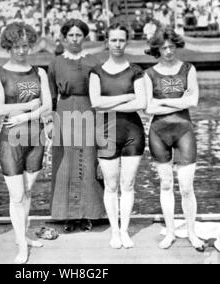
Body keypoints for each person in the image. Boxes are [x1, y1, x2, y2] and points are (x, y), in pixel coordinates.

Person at [0, 22, 52, 264]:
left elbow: (47, 105)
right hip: (11, 140)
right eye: (17, 46)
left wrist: (26, 115)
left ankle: (22, 235)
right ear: (8, 46)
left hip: (35, 137)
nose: (22, 51)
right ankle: (22, 247)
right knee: (16, 196)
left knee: (27, 192)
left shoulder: (40, 72)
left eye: (26, 46)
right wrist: (30, 105)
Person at [143, 28, 205, 251]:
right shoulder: (149, 74)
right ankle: (170, 232)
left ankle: (191, 232)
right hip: (158, 132)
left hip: (183, 130)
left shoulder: (188, 69)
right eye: (163, 47)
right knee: (166, 183)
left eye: (171, 46)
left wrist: (163, 103)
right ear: (157, 48)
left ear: (177, 46)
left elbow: (194, 100)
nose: (168, 51)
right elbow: (147, 106)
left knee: (187, 187)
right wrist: (180, 100)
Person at [89, 23, 147, 249]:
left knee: (128, 184)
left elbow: (141, 103)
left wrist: (110, 103)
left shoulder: (136, 70)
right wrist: (126, 98)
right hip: (106, 133)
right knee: (111, 185)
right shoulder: (97, 72)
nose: (118, 44)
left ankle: (125, 231)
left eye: (122, 40)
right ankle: (114, 231)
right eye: (113, 40)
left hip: (132, 132)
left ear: (127, 42)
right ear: (107, 42)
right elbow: (96, 104)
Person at [48, 19, 106, 233]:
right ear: (64, 37)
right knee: (65, 164)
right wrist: (51, 122)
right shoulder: (55, 63)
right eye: (70, 35)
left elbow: (102, 90)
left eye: (78, 35)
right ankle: (66, 215)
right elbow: (52, 95)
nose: (74, 39)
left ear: (84, 37)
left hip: (88, 109)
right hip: (63, 111)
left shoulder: (93, 61)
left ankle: (89, 214)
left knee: (87, 159)